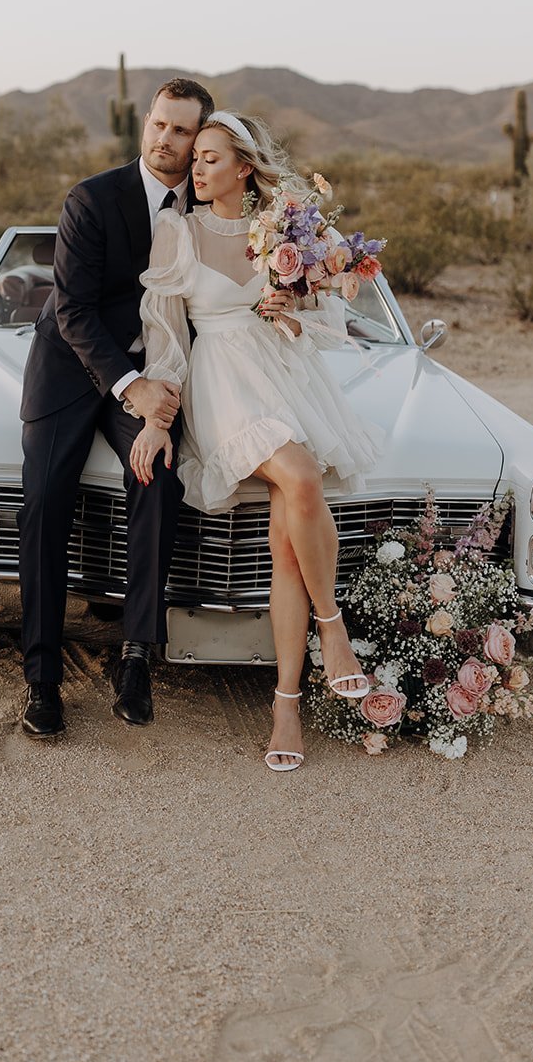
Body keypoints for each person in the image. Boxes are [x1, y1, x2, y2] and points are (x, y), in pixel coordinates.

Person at [128, 111, 381, 772]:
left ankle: (285, 706)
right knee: (299, 474)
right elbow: (163, 334)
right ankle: (334, 630)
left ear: (245, 166)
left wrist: (293, 310)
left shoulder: (286, 226)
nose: (196, 167)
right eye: (195, 158)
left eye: (211, 157)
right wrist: (157, 417)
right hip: (223, 383)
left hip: (285, 372)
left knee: (287, 551)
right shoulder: (173, 232)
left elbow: (336, 309)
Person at [17, 76, 215, 739]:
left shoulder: (208, 208)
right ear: (144, 124)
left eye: (181, 130)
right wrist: (130, 387)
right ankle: (41, 679)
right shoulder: (92, 199)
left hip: (157, 371)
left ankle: (135, 656)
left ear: (198, 140)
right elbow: (71, 312)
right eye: (159, 124)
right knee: (44, 501)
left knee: (153, 476)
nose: (166, 138)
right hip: (71, 368)